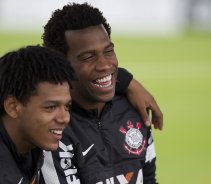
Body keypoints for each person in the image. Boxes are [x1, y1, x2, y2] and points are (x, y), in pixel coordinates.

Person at [41, 3, 158, 184]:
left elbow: (148, 179)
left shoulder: (134, 109)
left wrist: (127, 81)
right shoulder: (53, 127)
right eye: (88, 57)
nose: (104, 65)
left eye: (108, 51)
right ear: (61, 65)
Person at [0, 45, 75, 184]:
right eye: (51, 107)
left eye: (67, 106)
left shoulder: (31, 140)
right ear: (13, 107)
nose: (64, 118)